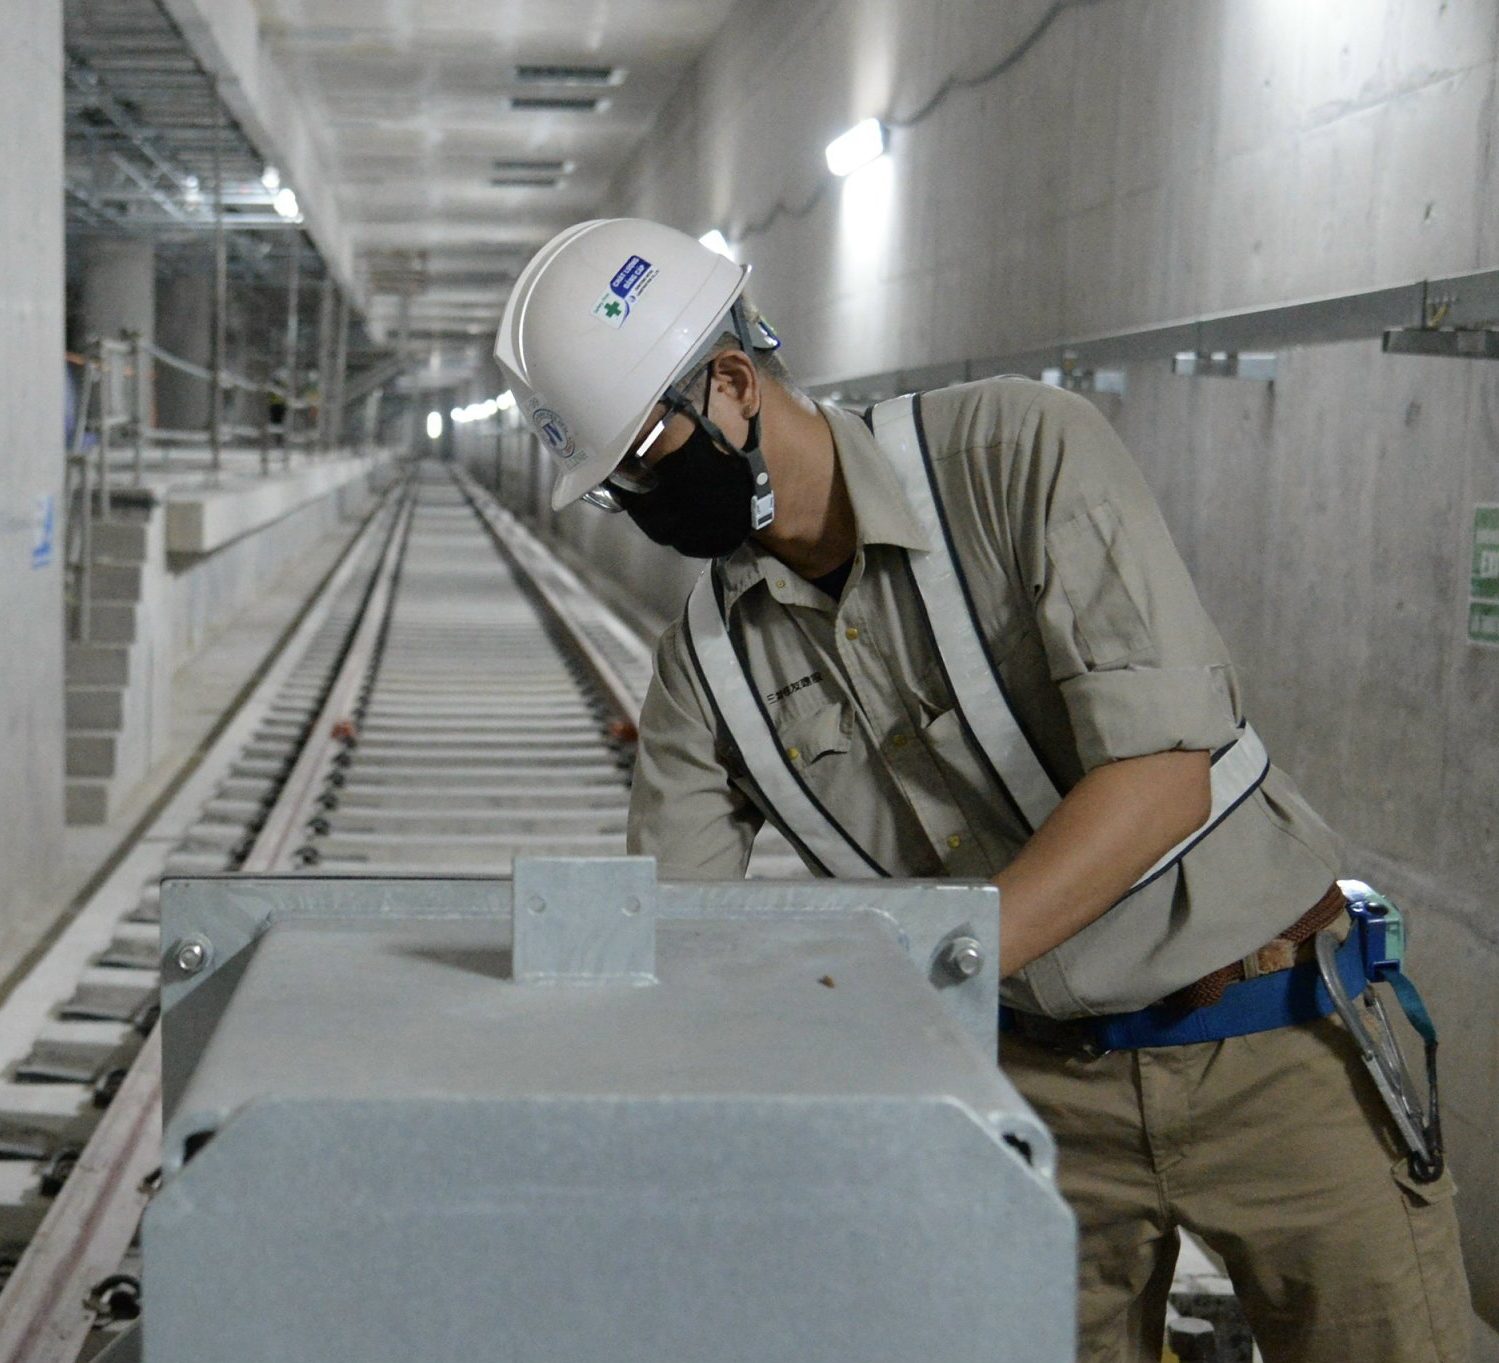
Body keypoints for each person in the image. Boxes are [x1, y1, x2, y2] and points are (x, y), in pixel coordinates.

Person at [495, 218, 1473, 1363]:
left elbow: (1161, 777)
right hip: (1027, 1096)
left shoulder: (1014, 455)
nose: (643, 497)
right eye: (614, 485)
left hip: (1270, 1044)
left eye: (644, 452)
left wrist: (920, 962)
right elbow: (666, 939)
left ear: (731, 383)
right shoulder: (706, 669)